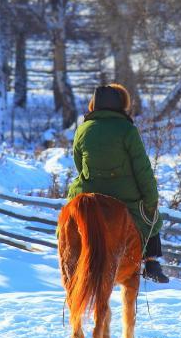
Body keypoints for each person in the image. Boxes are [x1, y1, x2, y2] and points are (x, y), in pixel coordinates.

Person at [66, 83, 169, 283]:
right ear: (121, 104)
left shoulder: (82, 130)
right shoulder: (127, 130)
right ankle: (151, 262)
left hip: (89, 193)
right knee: (152, 219)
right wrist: (151, 200)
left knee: (68, 218)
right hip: (125, 198)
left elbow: (78, 165)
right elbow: (142, 169)